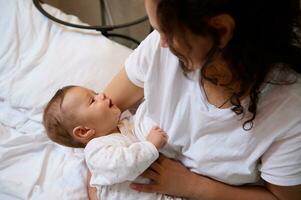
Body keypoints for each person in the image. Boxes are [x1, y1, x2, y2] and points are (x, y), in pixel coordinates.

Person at [97, 0, 301, 199]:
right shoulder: (159, 50)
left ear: (220, 30)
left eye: (165, 31)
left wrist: (194, 187)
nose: (161, 43)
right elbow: (93, 120)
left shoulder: (290, 111)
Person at [43, 85, 183, 200]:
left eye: (96, 93)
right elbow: (124, 164)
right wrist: (151, 145)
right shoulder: (95, 151)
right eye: (92, 100)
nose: (102, 95)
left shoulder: (125, 124)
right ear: (84, 131)